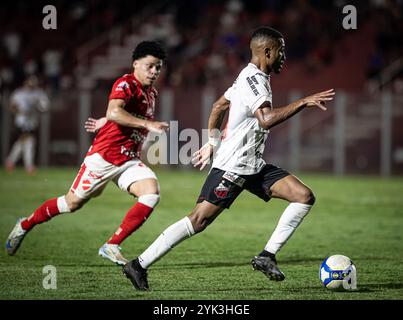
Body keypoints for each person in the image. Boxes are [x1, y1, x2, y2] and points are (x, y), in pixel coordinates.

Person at [122, 27, 335, 290]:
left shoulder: (247, 76)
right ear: (267, 52)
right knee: (199, 220)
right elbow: (266, 120)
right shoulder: (254, 80)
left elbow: (219, 106)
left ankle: (266, 256)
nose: (284, 57)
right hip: (233, 167)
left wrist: (212, 142)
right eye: (281, 51)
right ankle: (138, 264)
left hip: (253, 166)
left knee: (304, 196)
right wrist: (303, 102)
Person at [6, 41, 169, 266]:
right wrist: (144, 123)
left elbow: (118, 113)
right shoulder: (126, 83)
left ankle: (112, 245)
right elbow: (115, 110)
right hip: (104, 157)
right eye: (150, 66)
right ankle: (25, 224)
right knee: (71, 204)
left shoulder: (151, 93)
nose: (154, 71)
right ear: (136, 64)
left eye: (158, 67)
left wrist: (108, 119)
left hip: (128, 159)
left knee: (151, 193)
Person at [5, 75, 50, 175]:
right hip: (21, 121)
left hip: (32, 121)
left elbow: (45, 107)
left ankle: (10, 161)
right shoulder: (18, 93)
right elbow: (12, 107)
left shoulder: (39, 93)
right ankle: (28, 166)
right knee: (29, 142)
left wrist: (38, 107)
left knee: (23, 143)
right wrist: (20, 111)